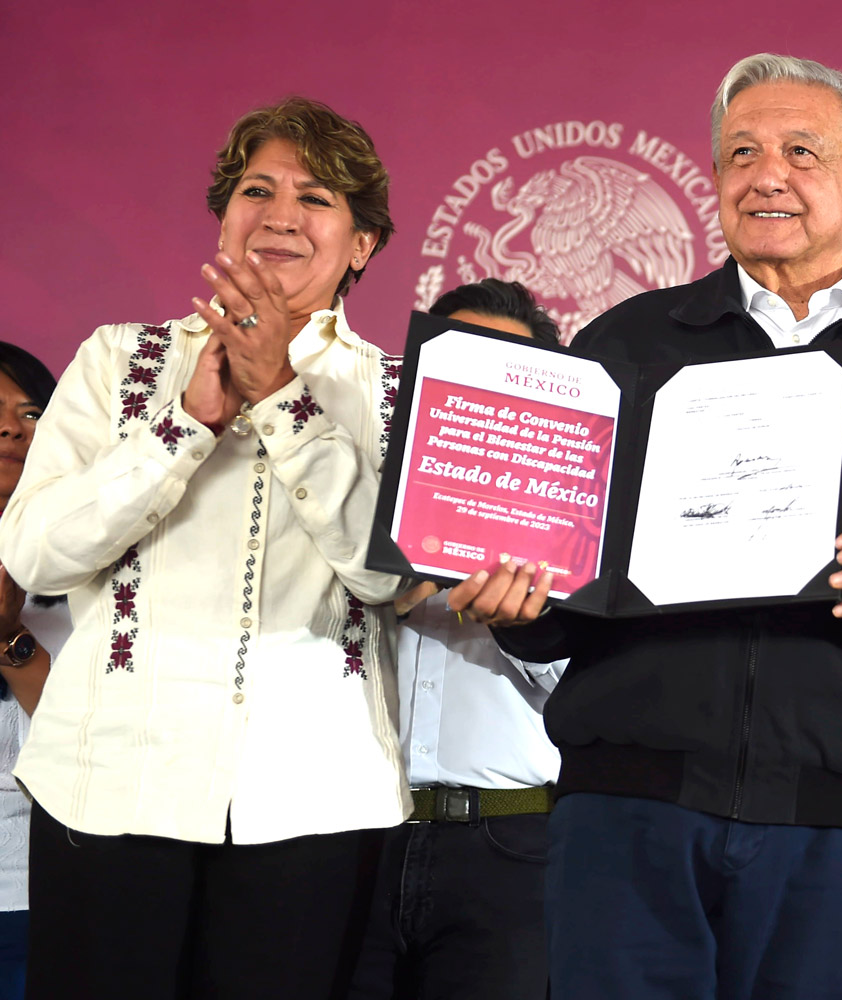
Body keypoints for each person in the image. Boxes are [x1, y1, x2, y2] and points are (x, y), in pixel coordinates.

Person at [448, 53, 842, 1000]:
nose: (766, 174)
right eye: (740, 153)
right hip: (625, 805)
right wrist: (521, 605)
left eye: (802, 151)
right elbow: (566, 596)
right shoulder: (625, 345)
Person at [0, 97, 409, 999]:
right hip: (109, 786)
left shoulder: (395, 390)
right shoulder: (119, 362)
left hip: (313, 800)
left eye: (317, 199)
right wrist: (181, 427)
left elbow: (386, 573)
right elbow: (34, 554)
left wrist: (283, 405)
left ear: (363, 244)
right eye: (256, 190)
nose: (281, 215)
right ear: (224, 218)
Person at [349, 279, 566, 1000]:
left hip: (508, 852)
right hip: (351, 838)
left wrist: (525, 625)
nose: (481, 392)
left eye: (506, 371)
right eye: (459, 363)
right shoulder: (344, 497)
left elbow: (592, 693)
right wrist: (381, 591)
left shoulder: (576, 528)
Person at [0, 344, 68, 996]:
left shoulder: (89, 572)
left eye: (30, 411)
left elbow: (87, 743)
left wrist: (9, 640)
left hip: (35, 890)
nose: (10, 428)